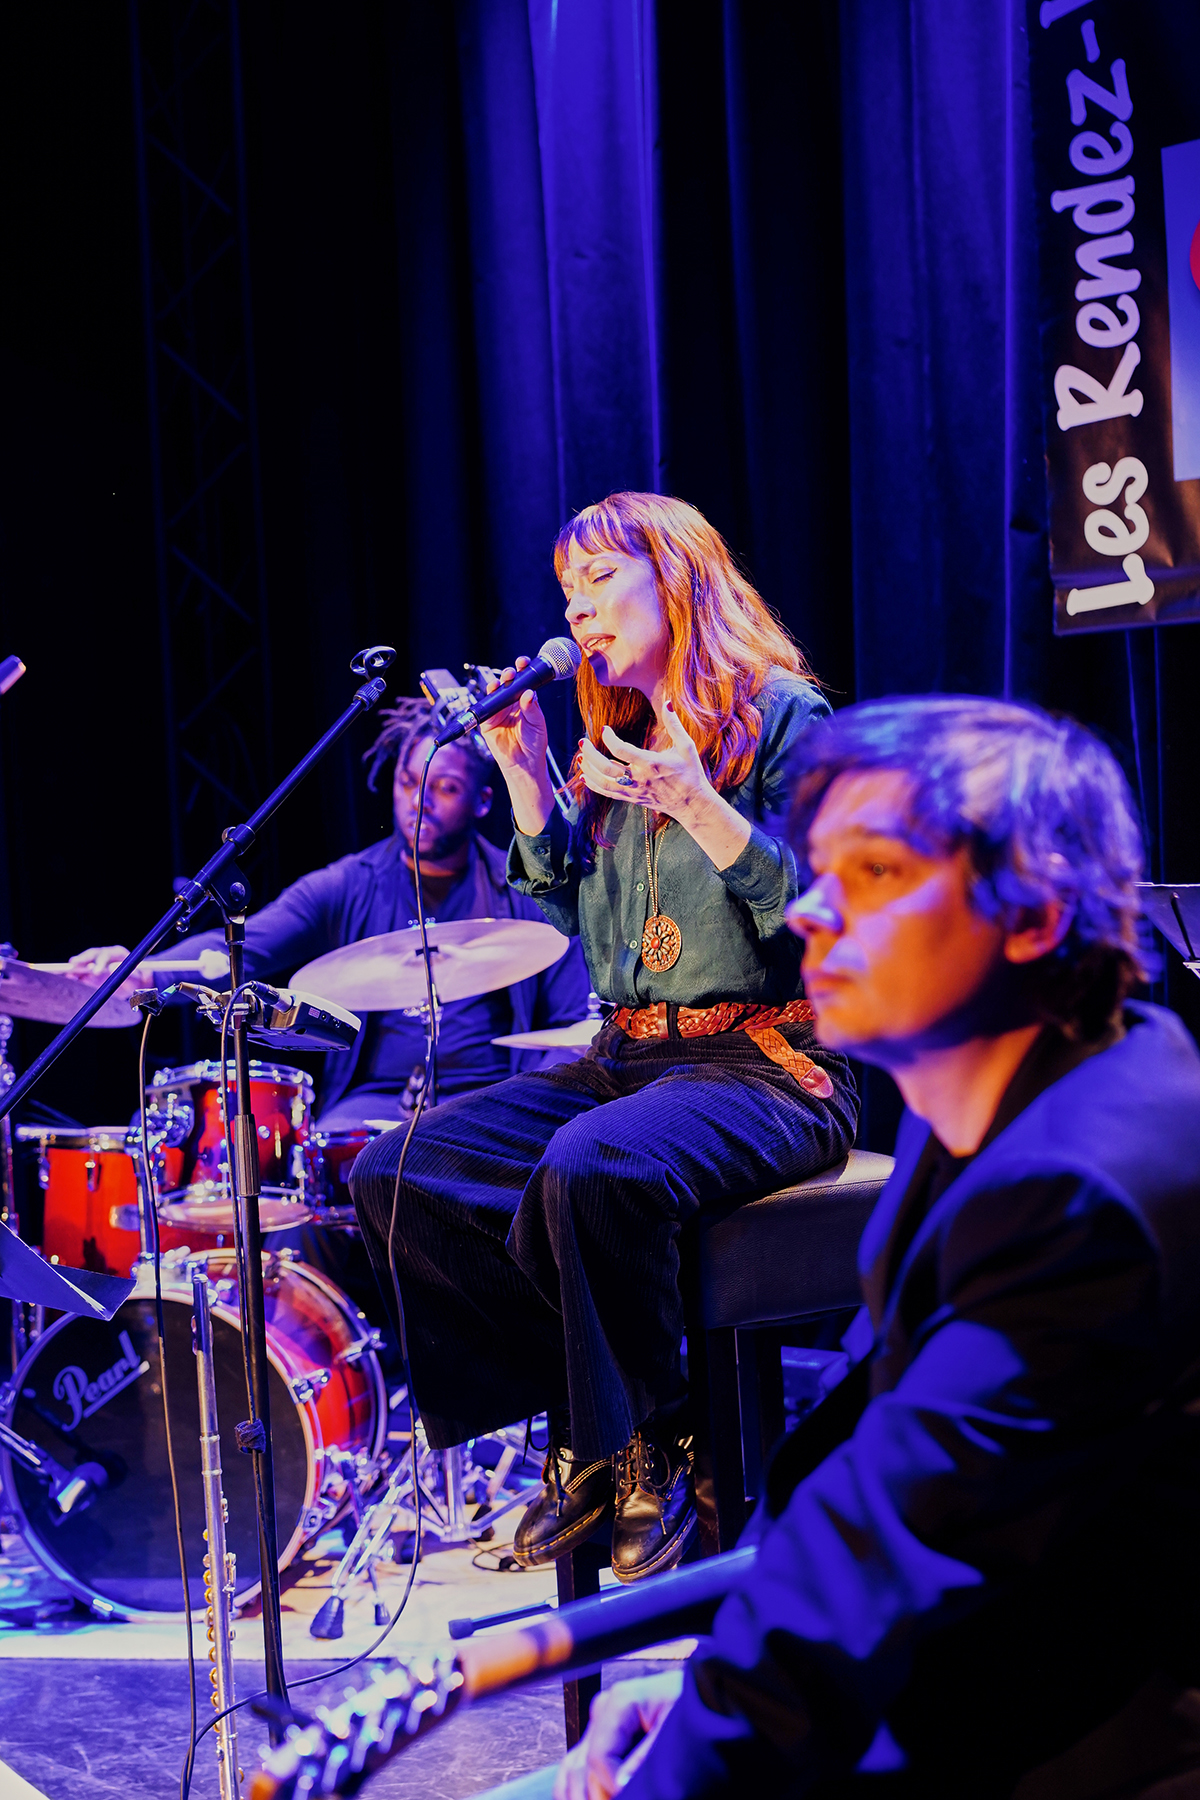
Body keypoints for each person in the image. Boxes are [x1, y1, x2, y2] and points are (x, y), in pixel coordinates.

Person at [519, 694, 1200, 1800]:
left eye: (874, 873)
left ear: (1034, 915)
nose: (809, 913)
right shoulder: (991, 1098)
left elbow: (874, 1555)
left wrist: (692, 1757)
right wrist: (700, 1680)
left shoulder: (1083, 1192)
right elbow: (858, 1461)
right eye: (823, 871)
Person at [350, 491, 859, 1585]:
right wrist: (525, 771)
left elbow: (826, 917)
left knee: (590, 1165)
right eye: (566, 591)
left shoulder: (786, 717)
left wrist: (700, 803)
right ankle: (597, 1438)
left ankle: (646, 1447)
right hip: (627, 1055)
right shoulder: (615, 738)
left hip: (767, 1063)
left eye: (598, 581)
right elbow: (580, 921)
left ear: (675, 581)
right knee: (398, 1170)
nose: (576, 610)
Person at [67, 695, 591, 1126]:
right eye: (408, 782)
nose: (420, 801)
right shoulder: (347, 885)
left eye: (446, 788)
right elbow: (248, 943)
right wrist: (143, 967)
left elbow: (571, 1024)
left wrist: (530, 1104)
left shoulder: (529, 887)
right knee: (329, 1183)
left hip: (491, 1093)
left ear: (482, 801)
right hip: (375, 1102)